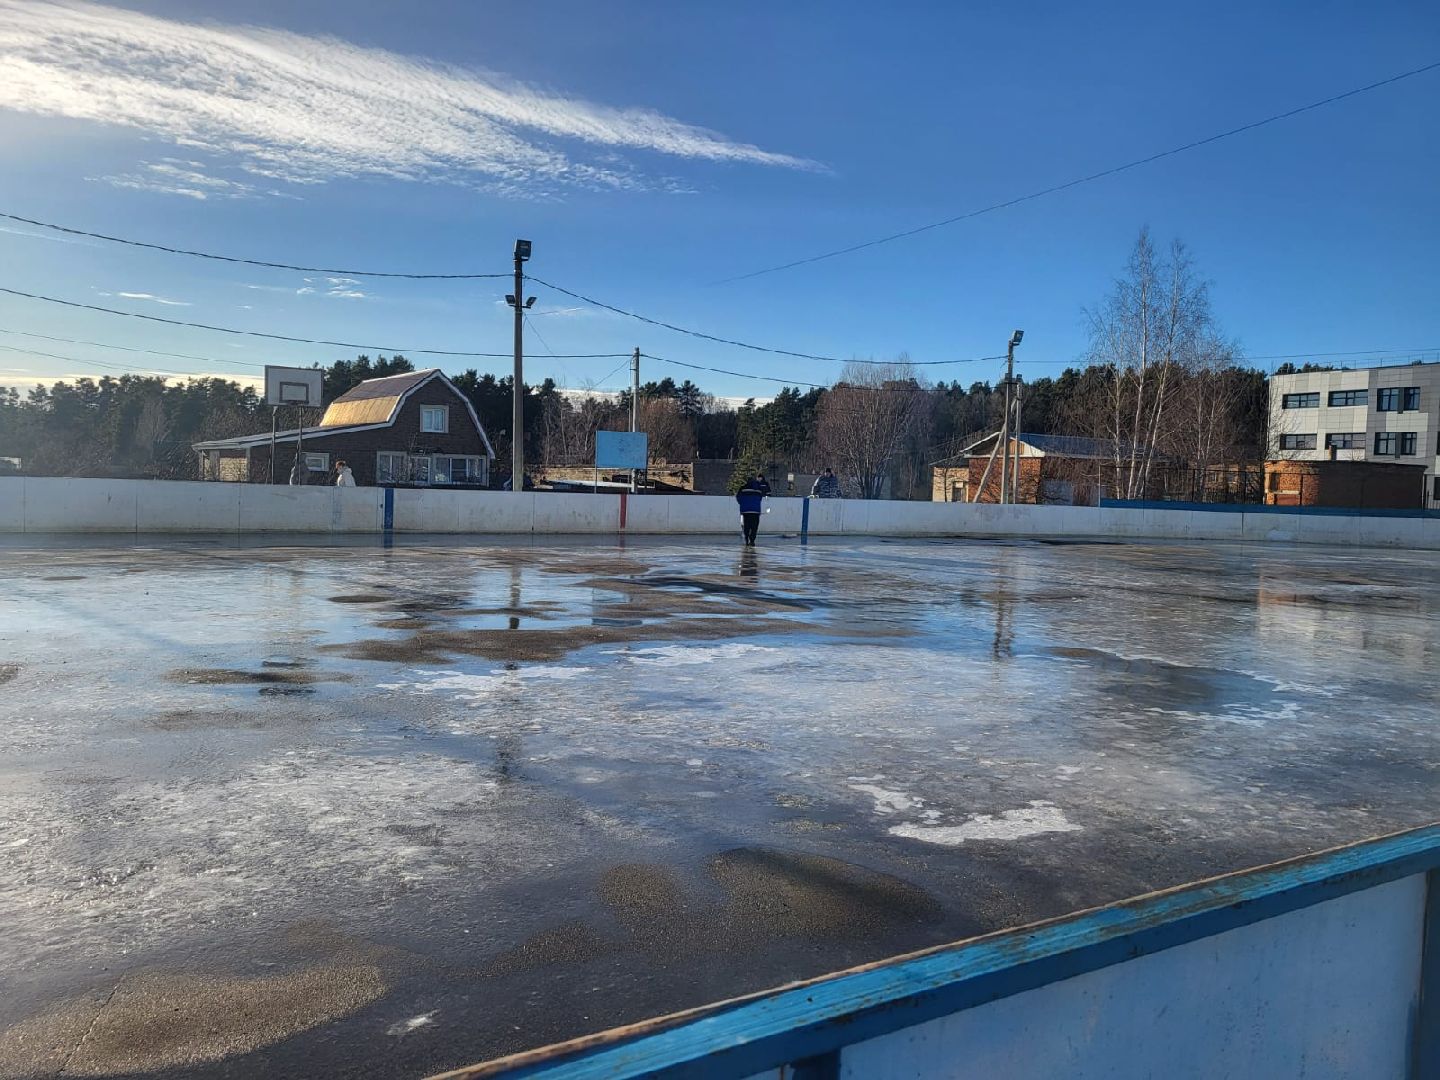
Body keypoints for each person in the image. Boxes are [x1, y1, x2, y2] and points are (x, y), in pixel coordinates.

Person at [736, 475, 766, 546]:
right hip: (755, 511)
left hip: (746, 511)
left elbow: (738, 497)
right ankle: (752, 540)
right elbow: (760, 498)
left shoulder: (742, 488)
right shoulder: (758, 489)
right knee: (754, 526)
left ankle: (746, 539)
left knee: (746, 526)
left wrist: (743, 503)